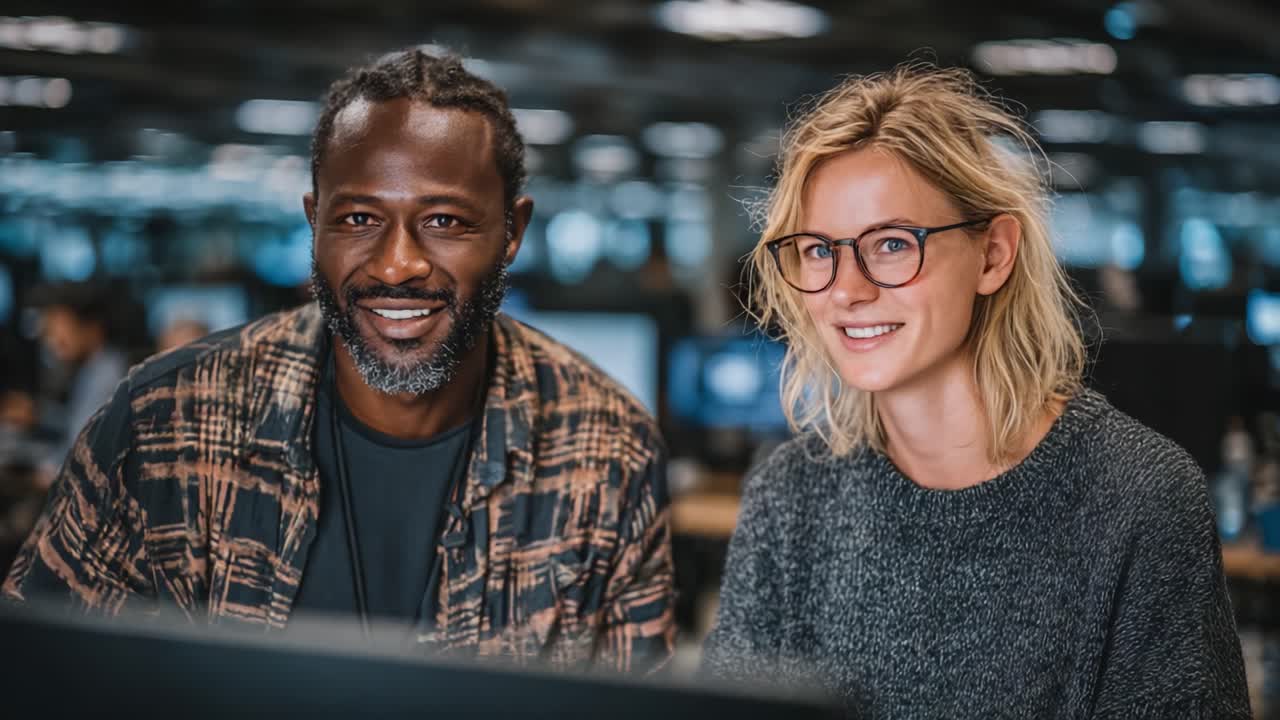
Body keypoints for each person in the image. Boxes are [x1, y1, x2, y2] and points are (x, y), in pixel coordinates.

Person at [3, 48, 674, 674]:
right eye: (358, 220)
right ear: (313, 220)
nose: (398, 264)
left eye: (444, 221)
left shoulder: (605, 449)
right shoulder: (164, 425)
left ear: (512, 233)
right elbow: (39, 677)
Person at [702, 64, 1250, 717]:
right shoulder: (791, 495)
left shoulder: (1140, 501)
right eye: (819, 251)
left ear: (993, 254)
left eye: (892, 244)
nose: (847, 289)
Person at [29, 282, 129, 480]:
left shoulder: (107, 377)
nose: (52, 341)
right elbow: (77, 423)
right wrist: (38, 414)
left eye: (59, 329)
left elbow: (84, 455)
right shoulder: (93, 368)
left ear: (92, 328)